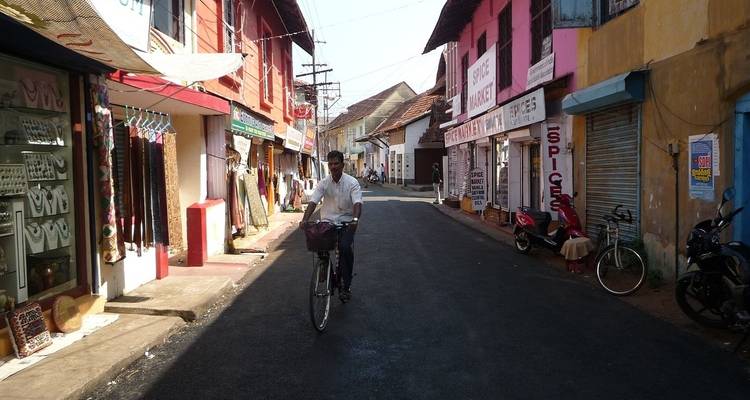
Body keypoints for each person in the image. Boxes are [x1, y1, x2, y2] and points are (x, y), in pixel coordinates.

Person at [300, 150, 363, 302]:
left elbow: (357, 203)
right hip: (327, 223)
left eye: (336, 163)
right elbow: (313, 202)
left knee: (345, 248)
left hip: (346, 223)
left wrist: (355, 219)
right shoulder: (324, 183)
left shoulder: (352, 182)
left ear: (342, 164)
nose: (333, 167)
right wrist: (304, 219)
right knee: (318, 243)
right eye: (331, 164)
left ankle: (346, 286)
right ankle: (324, 264)